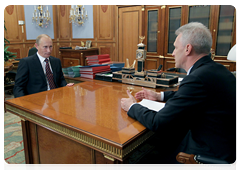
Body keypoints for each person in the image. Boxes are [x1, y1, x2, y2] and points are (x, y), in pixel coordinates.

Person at [121, 22, 238, 169]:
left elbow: (159, 122)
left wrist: (132, 106)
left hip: (207, 157)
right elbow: (191, 95)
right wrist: (159, 96)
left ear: (188, 49)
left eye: (176, 47)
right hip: (224, 144)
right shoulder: (216, 69)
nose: (173, 53)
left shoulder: (197, 78)